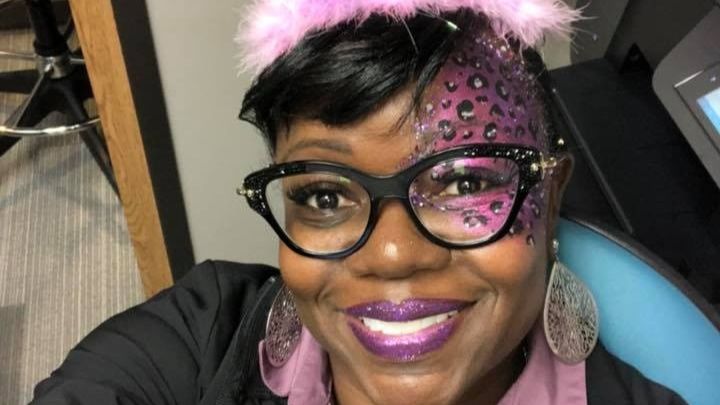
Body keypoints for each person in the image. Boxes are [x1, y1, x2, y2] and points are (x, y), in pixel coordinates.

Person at [31, 1, 688, 404]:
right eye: (324, 193)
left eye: (463, 183)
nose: (393, 254)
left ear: (550, 196)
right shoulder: (198, 337)